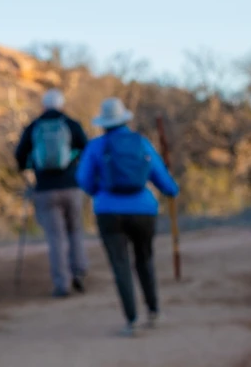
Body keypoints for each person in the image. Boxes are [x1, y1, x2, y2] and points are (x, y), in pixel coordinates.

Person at [75, 97, 180, 337]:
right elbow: (160, 175)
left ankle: (131, 319)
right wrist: (171, 190)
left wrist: (98, 193)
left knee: (120, 264)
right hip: (143, 209)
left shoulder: (96, 146)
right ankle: (153, 311)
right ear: (124, 119)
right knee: (144, 259)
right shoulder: (141, 143)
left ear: (103, 122)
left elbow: (83, 180)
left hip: (108, 212)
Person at [14, 88, 89, 297]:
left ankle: (61, 284)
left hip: (45, 189)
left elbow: (20, 155)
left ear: (43, 105)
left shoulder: (34, 126)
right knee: (75, 230)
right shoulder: (71, 125)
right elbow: (86, 149)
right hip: (71, 186)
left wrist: (30, 168)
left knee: (55, 237)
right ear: (62, 104)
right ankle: (79, 272)